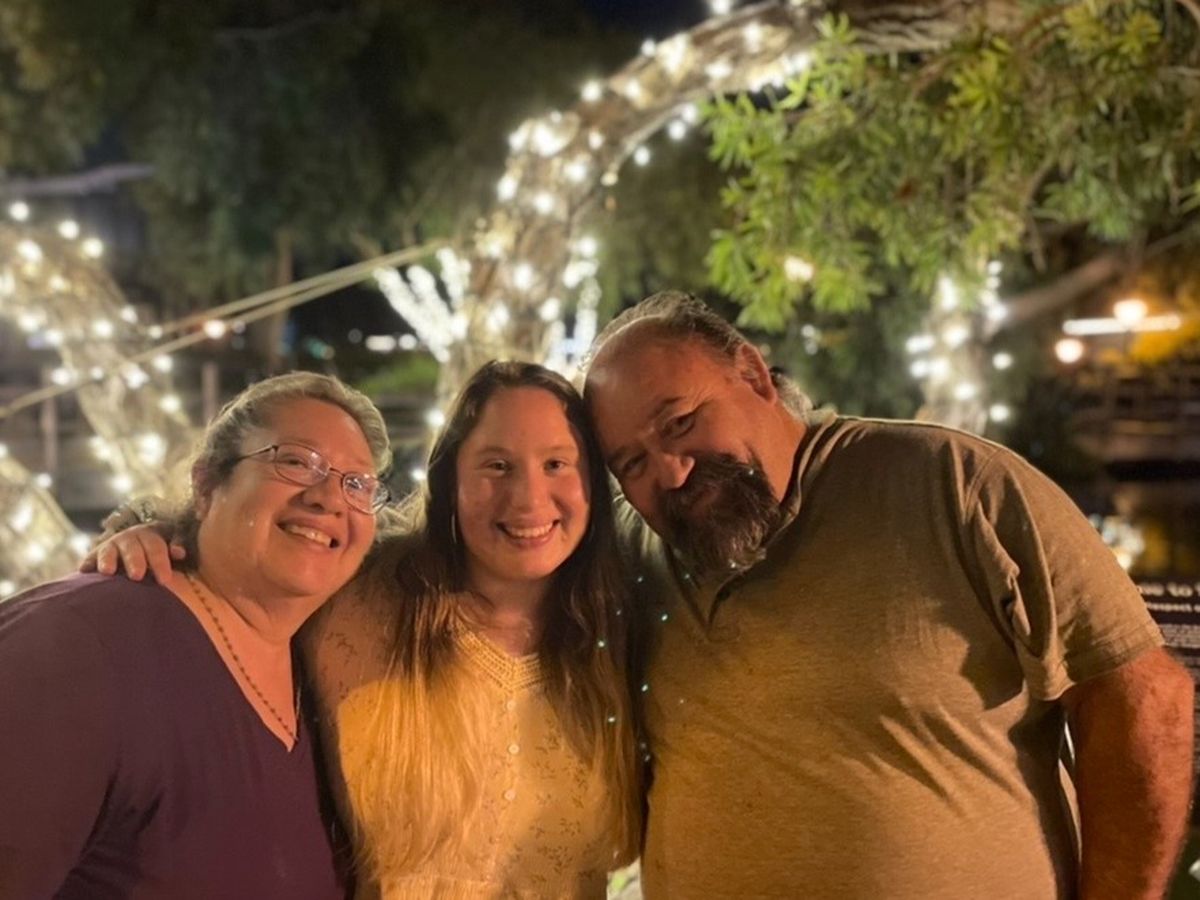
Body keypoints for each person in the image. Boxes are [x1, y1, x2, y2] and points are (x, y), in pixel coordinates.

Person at [580, 291, 1195, 899]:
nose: (671, 471)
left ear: (753, 374)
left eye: (681, 422)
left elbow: (1143, 699)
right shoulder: (632, 558)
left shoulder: (958, 486)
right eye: (631, 463)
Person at [85, 361, 642, 899]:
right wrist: (155, 532)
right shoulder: (362, 596)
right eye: (496, 465)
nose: (528, 499)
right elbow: (265, 551)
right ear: (449, 480)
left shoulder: (626, 626)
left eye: (557, 464)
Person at [0, 372, 392, 899]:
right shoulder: (78, 647)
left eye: (358, 484)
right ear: (207, 486)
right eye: (297, 461)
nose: (329, 499)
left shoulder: (330, 672)